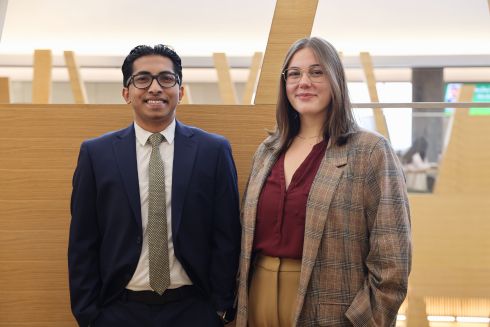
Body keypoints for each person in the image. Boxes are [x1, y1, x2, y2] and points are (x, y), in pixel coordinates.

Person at [235, 37, 411, 326]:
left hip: (331, 308)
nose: (304, 82)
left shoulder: (370, 151)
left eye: (316, 72)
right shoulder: (267, 150)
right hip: (257, 297)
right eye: (294, 74)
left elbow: (392, 260)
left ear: (336, 80)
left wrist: (366, 320)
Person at [68, 44, 241, 327]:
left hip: (193, 309)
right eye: (143, 79)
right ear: (126, 93)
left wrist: (219, 309)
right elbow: (83, 241)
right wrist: (89, 315)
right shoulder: (96, 154)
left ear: (180, 91)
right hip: (118, 310)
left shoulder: (213, 151)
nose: (155, 88)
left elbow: (227, 234)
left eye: (166, 78)